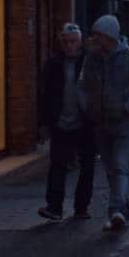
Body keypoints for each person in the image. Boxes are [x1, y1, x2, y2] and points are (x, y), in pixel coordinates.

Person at [77, 16, 129, 231]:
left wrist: (127, 106)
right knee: (111, 170)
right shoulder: (91, 59)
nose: (94, 39)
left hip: (124, 125)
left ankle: (115, 210)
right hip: (100, 124)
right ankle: (122, 208)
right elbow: (81, 85)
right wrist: (86, 106)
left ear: (109, 35)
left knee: (120, 166)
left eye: (97, 35)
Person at [37, 23, 95, 222]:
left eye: (73, 42)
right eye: (66, 42)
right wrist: (44, 123)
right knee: (57, 165)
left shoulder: (89, 61)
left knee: (87, 165)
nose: (69, 45)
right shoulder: (54, 63)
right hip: (61, 122)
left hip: (84, 121)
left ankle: (81, 207)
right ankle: (54, 207)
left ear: (80, 42)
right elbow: (45, 95)